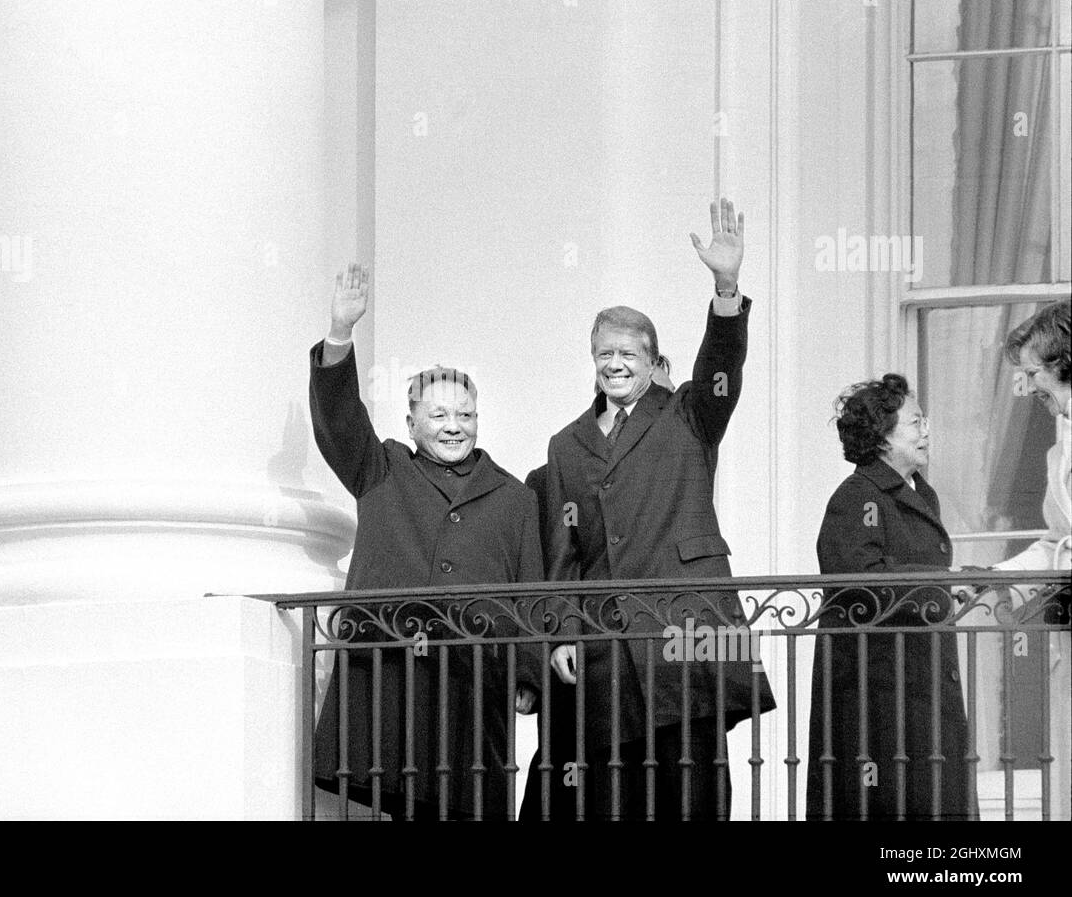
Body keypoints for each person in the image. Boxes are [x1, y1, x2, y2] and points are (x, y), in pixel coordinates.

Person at [532, 199, 775, 820]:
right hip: (608, 644)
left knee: (693, 792)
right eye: (603, 354)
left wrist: (726, 289)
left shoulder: (689, 416)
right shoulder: (566, 444)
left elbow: (722, 366)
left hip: (686, 631)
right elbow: (565, 550)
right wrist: (561, 630)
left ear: (650, 361)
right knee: (619, 798)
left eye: (628, 355)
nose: (614, 364)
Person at [310, 263, 542, 820]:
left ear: (479, 421)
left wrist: (529, 676)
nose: (453, 425)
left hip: (472, 686)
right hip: (389, 675)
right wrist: (340, 335)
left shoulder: (515, 499)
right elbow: (341, 422)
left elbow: (533, 594)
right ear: (412, 422)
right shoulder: (381, 468)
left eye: (464, 414)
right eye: (437, 414)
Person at [806, 374, 974, 820]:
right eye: (915, 422)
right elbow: (858, 577)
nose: (926, 431)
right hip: (879, 694)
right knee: (893, 802)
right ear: (882, 437)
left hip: (919, 682)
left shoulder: (921, 493)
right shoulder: (858, 496)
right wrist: (942, 586)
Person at [993, 299, 1070, 819]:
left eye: (1031, 373)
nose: (1027, 387)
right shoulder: (1059, 441)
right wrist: (993, 579)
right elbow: (1058, 540)